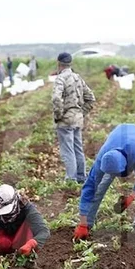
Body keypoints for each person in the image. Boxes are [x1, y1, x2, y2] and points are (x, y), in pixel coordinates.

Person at [75, 124, 135, 246]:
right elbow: (89, 188)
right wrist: (82, 223)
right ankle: (88, 224)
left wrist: (131, 197)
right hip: (117, 139)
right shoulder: (102, 159)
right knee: (99, 187)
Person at [52, 52, 96, 183]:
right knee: (77, 148)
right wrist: (81, 113)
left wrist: (59, 115)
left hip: (65, 121)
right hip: (77, 120)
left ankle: (71, 179)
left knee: (68, 150)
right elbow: (91, 98)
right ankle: (81, 177)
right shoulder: (77, 78)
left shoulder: (60, 79)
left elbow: (56, 98)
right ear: (69, 64)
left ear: (59, 64)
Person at [0, 184, 50, 261]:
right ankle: (9, 257)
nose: (4, 214)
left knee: (29, 228)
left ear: (14, 201)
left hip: (23, 239)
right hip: (7, 237)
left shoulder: (27, 208)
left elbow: (43, 231)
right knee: (2, 243)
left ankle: (26, 258)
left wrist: (32, 243)